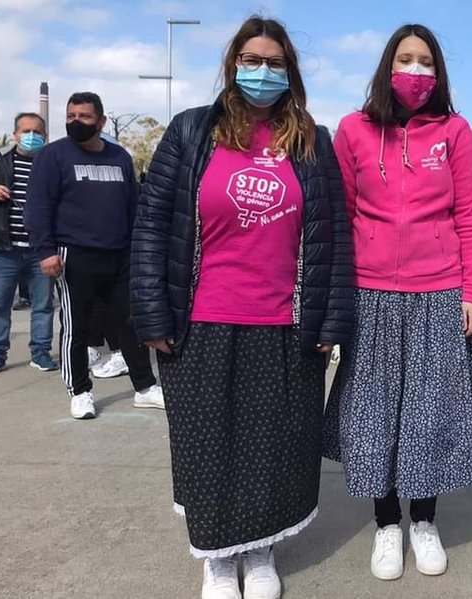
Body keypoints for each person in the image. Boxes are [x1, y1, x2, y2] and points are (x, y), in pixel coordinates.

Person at [130, 16, 354, 599]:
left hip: (284, 325)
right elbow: (153, 225)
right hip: (200, 323)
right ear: (232, 66)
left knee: (275, 450)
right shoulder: (190, 133)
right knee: (209, 449)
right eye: (251, 60)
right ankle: (216, 558)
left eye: (274, 62)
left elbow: (334, 233)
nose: (262, 72)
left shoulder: (311, 140)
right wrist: (151, 312)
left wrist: (331, 319)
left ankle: (260, 553)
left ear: (290, 72)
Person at [324, 23, 472, 582]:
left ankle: (425, 520)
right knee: (373, 412)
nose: (414, 71)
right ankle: (387, 523)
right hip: (369, 292)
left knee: (430, 410)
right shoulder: (353, 130)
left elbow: (470, 215)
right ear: (387, 67)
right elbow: (340, 217)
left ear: (438, 73)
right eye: (405, 60)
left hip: (438, 289)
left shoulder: (455, 131)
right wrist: (336, 295)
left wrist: (471, 290)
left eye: (425, 62)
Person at [24, 92, 164, 420]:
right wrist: (45, 251)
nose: (76, 121)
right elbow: (38, 206)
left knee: (129, 324)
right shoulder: (52, 156)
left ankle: (144, 387)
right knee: (77, 327)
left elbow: (133, 206)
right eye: (70, 115)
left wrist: (138, 249)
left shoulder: (119, 158)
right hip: (73, 254)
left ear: (101, 122)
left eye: (84, 117)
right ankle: (80, 391)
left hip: (119, 255)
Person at [0, 113, 57, 376]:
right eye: (26, 131)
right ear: (15, 134)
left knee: (43, 305)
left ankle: (40, 352)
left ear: (45, 136)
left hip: (41, 251)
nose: (31, 136)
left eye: (37, 131)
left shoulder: (51, 162)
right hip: (1, 249)